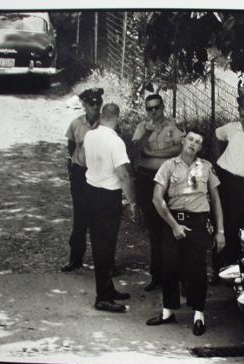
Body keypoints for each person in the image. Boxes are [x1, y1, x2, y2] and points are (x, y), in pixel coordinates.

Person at [146, 129, 225, 336]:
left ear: (200, 147)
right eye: (190, 139)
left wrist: (220, 231)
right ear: (183, 141)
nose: (193, 144)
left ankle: (199, 315)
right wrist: (174, 226)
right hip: (173, 221)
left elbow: (216, 200)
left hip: (198, 223)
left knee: (197, 269)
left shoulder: (206, 168)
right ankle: (167, 311)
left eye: (198, 142)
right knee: (169, 266)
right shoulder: (168, 166)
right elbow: (156, 198)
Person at [83, 103, 140, 312]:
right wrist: (133, 202)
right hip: (107, 196)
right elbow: (123, 174)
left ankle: (108, 288)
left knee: (104, 244)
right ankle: (102, 297)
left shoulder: (90, 135)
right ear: (116, 117)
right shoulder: (115, 141)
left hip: (91, 192)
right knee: (104, 246)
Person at [131, 94, 185, 291]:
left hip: (168, 180)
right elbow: (136, 150)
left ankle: (174, 275)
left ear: (163, 107)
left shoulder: (172, 125)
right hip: (147, 179)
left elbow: (179, 148)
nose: (153, 112)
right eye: (149, 108)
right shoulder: (142, 126)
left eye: (156, 107)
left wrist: (153, 153)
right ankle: (156, 275)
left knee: (171, 226)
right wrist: (146, 134)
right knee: (153, 229)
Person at [210, 101, 244, 284]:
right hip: (224, 179)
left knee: (236, 228)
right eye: (243, 116)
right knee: (219, 223)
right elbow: (216, 135)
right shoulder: (232, 129)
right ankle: (216, 268)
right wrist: (216, 159)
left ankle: (233, 271)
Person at [61, 87, 104, 272]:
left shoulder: (106, 125)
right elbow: (71, 145)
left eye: (98, 103)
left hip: (101, 174)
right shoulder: (76, 124)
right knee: (80, 217)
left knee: (101, 219)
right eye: (92, 103)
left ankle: (105, 262)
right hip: (81, 173)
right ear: (84, 105)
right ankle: (75, 259)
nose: (96, 107)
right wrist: (72, 164)